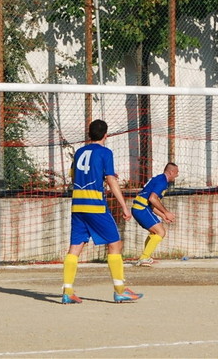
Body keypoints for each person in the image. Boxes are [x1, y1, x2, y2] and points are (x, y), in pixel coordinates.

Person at [62, 119, 142, 304]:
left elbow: (74, 175)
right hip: (95, 205)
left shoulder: (80, 152)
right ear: (106, 135)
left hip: (77, 206)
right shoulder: (105, 152)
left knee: (75, 248)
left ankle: (67, 291)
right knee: (115, 244)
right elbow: (111, 180)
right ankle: (120, 290)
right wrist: (123, 205)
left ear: (89, 134)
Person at [132, 162, 179, 267]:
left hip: (140, 208)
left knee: (155, 232)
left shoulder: (159, 179)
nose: (177, 175)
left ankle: (146, 257)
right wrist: (166, 212)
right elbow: (152, 199)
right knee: (160, 232)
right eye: (176, 172)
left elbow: (151, 204)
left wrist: (163, 216)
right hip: (141, 208)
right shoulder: (162, 181)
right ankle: (144, 257)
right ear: (171, 172)